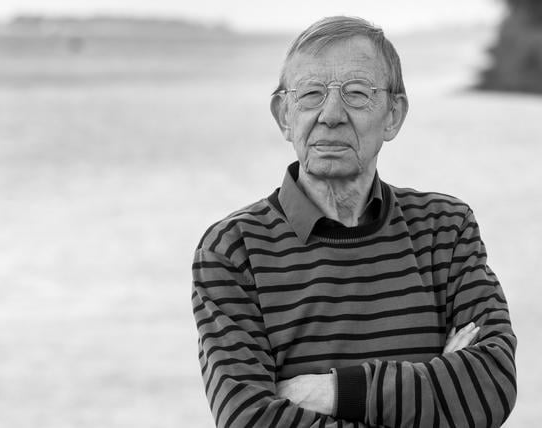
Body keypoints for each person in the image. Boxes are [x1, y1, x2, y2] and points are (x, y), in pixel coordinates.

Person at [191, 16, 516, 427]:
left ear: (393, 115)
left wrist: (332, 391)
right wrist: (436, 395)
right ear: (284, 116)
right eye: (309, 94)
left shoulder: (446, 229)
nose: (330, 115)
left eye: (357, 94)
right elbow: (249, 419)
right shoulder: (233, 251)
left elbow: (492, 383)